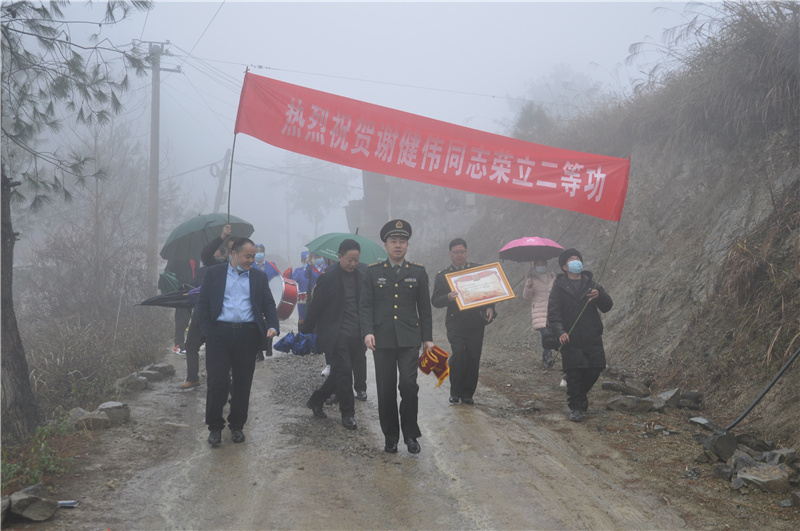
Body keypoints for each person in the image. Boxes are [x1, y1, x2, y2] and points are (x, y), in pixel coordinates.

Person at [195, 237, 280, 445]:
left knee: (243, 383)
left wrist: (273, 325)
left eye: (253, 256)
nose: (251, 260)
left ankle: (237, 426)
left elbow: (269, 303)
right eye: (247, 256)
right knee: (217, 382)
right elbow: (203, 303)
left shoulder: (258, 277)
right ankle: (215, 426)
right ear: (233, 254)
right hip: (219, 335)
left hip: (247, 335)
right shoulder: (214, 274)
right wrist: (208, 331)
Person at [360, 219, 433, 454]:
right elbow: (366, 306)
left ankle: (411, 435)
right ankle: (390, 436)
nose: (398, 245)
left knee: (409, 386)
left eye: (402, 241)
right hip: (382, 338)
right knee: (386, 389)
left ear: (408, 245)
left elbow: (425, 308)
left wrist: (427, 338)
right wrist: (368, 331)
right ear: (386, 244)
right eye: (393, 241)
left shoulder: (418, 272)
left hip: (409, 339)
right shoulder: (373, 272)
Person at [301, 239, 364, 430]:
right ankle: (348, 414)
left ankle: (316, 400)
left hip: (357, 333)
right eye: (349, 260)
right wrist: (305, 330)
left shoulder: (362, 276)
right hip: (336, 334)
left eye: (356, 260)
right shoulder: (328, 277)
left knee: (339, 373)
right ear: (339, 257)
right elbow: (316, 306)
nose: (353, 264)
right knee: (344, 372)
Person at [547, 248, 613, 423]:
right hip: (570, 336)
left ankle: (580, 395)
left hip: (592, 334)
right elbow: (553, 314)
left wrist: (600, 296)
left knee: (595, 369)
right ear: (564, 266)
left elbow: (607, 306)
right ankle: (575, 407)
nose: (576, 262)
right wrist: (560, 332)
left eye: (578, 259)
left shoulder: (592, 284)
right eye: (571, 260)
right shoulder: (558, 288)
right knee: (574, 373)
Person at [431, 238, 495, 405]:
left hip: (475, 322)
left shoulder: (477, 270)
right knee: (459, 354)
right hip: (455, 323)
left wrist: (490, 307)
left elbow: (489, 291)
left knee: (473, 357)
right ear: (450, 254)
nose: (459, 255)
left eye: (462, 252)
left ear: (466, 252)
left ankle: (468, 394)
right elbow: (435, 300)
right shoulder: (443, 275)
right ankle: (455, 391)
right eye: (455, 252)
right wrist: (448, 297)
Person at [522, 259, 557, 368]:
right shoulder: (531, 279)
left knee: (552, 333)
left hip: (553, 310)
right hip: (539, 310)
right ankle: (548, 354)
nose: (541, 266)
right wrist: (529, 286)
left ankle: (545, 356)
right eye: (538, 264)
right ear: (535, 266)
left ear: (546, 265)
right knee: (545, 333)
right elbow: (526, 297)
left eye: (543, 264)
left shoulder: (552, 277)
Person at [164, 259, 195, 354]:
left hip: (193, 289)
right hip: (181, 290)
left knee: (191, 317)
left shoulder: (196, 256)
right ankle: (179, 344)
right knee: (182, 317)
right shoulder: (176, 257)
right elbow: (168, 272)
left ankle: (189, 343)